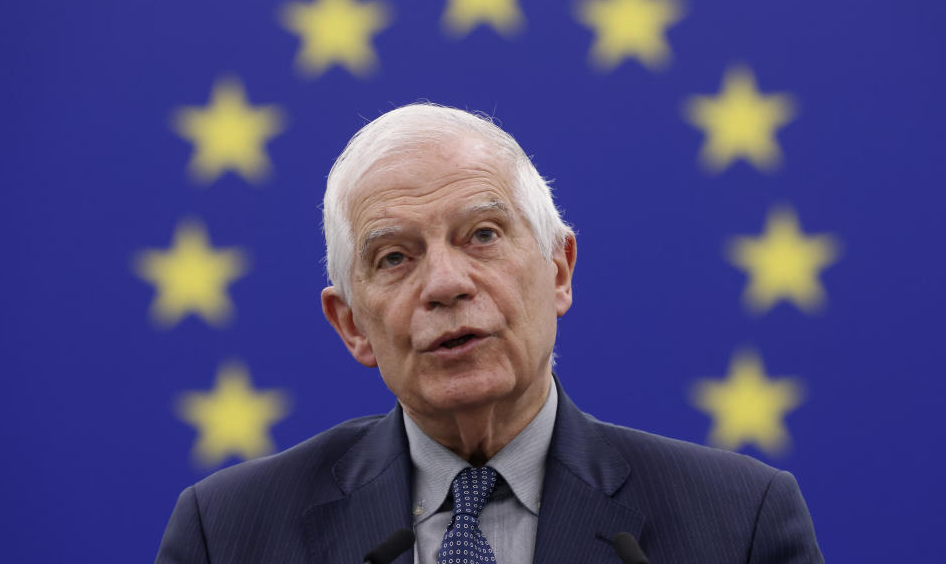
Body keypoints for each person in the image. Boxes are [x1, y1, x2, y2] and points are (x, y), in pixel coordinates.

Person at [156, 103, 824, 563]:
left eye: (482, 235)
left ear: (558, 270)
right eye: (395, 257)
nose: (446, 283)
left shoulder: (740, 525)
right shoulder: (229, 534)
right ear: (353, 325)